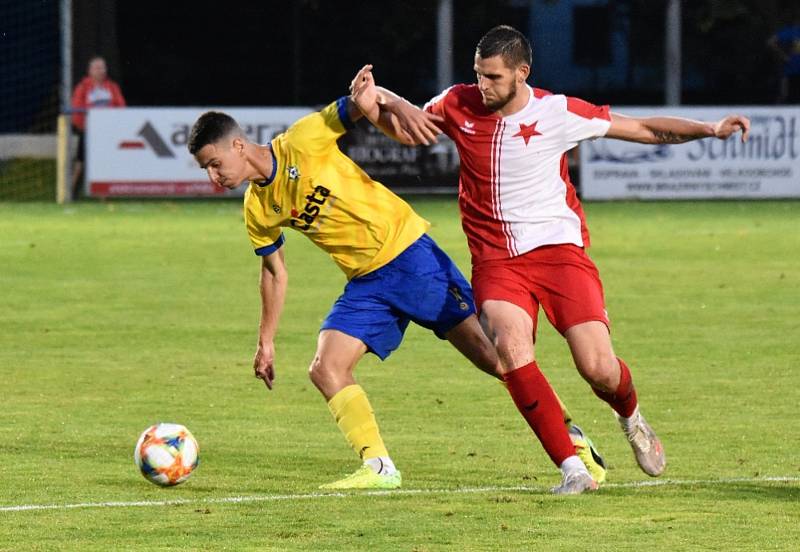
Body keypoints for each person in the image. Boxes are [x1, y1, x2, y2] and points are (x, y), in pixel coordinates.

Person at [350, 24, 751, 494]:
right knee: (511, 350)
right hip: (497, 262)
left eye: (494, 77)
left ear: (522, 73)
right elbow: (410, 131)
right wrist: (373, 103)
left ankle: (631, 416)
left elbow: (642, 128)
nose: (483, 85)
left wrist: (710, 129)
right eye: (479, 74)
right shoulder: (458, 102)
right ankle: (572, 468)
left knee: (597, 367)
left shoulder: (557, 112)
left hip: (560, 255)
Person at [187, 81, 607, 493]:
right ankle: (379, 466)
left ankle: (573, 442)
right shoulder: (257, 208)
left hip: (411, 257)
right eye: (207, 169)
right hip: (366, 284)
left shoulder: (301, 140)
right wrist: (266, 341)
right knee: (325, 367)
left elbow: (356, 105)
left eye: (214, 163)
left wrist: (380, 96)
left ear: (238, 146)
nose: (213, 176)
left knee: (498, 360)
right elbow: (274, 272)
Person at [70, 56, 126, 198]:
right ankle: (70, 192)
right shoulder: (83, 87)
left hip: (107, 132)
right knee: (80, 163)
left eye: (103, 67)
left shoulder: (112, 87)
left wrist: (113, 125)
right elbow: (76, 109)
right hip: (88, 131)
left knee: (106, 162)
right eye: (97, 68)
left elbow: (121, 107)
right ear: (90, 71)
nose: (101, 71)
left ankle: (104, 196)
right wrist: (83, 126)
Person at [767, 8, 800, 104]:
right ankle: (773, 114)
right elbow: (770, 42)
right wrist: (783, 56)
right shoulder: (792, 31)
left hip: (792, 67)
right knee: (784, 94)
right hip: (791, 68)